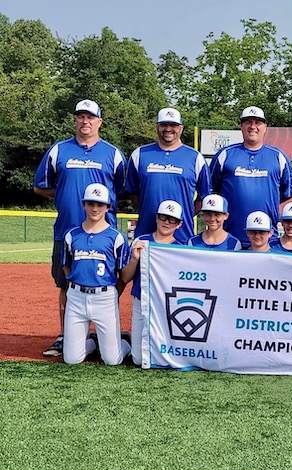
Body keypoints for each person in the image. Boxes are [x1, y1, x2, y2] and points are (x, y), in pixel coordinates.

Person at [33, 99, 127, 357]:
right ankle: (67, 336)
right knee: (66, 284)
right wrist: (64, 193)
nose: (85, 121)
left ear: (99, 122)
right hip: (67, 231)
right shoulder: (59, 150)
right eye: (81, 117)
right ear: (75, 120)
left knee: (108, 281)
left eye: (90, 117)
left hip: (104, 234)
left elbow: (124, 189)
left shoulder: (112, 153)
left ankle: (105, 333)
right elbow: (40, 185)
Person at [61, 183, 131, 365]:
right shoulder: (71, 235)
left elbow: (122, 274)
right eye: (91, 203)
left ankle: (125, 344)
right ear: (83, 204)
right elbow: (66, 266)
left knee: (112, 360)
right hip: (76, 297)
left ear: (108, 207)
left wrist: (112, 294)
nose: (95, 208)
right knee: (71, 359)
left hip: (104, 297)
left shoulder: (117, 237)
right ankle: (92, 343)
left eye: (100, 204)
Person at [210, 106, 292, 248]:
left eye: (258, 122)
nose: (252, 127)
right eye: (248, 122)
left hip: (266, 239)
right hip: (228, 237)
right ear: (241, 126)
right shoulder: (225, 155)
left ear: (265, 127)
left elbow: (285, 193)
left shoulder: (278, 156)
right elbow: (214, 191)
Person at [125, 107, 211, 244]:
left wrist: (184, 215)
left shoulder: (195, 158)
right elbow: (132, 193)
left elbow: (203, 197)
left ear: (181, 128)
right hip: (146, 234)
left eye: (173, 125)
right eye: (164, 125)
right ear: (157, 127)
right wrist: (149, 210)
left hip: (182, 236)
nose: (168, 129)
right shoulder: (140, 154)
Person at [120, 200, 184, 366]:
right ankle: (126, 342)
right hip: (141, 301)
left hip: (164, 305)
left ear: (179, 224)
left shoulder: (180, 249)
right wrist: (135, 258)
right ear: (156, 218)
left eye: (172, 220)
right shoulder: (141, 241)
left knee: (163, 356)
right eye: (163, 217)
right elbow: (125, 278)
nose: (166, 222)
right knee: (138, 360)